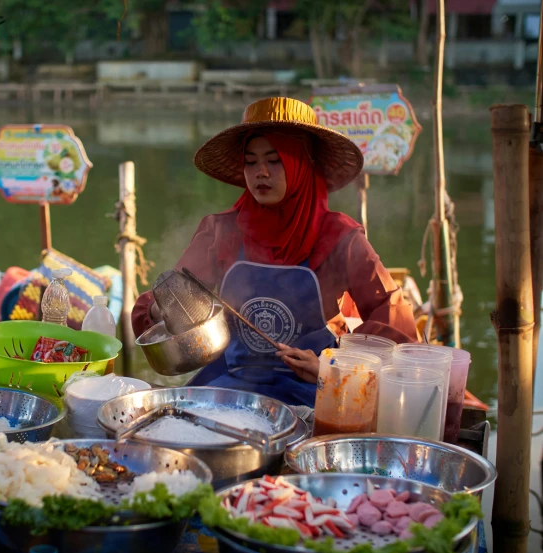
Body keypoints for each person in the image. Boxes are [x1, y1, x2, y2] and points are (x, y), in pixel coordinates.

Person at [132, 97, 418, 407]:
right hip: (232, 382)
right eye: (251, 162)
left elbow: (393, 316)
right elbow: (164, 296)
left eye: (275, 160)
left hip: (314, 388)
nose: (261, 173)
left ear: (300, 163)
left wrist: (336, 365)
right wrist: (165, 309)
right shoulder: (221, 232)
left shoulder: (340, 239)